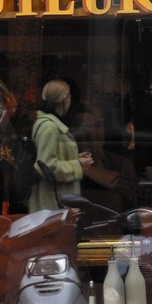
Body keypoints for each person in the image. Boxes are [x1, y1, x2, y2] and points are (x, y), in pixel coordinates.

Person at [30, 80, 94, 213]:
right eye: (69, 96)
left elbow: (49, 156)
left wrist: (74, 157)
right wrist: (77, 165)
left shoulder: (48, 124)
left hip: (55, 202)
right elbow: (46, 165)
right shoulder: (50, 127)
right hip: (54, 204)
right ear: (65, 99)